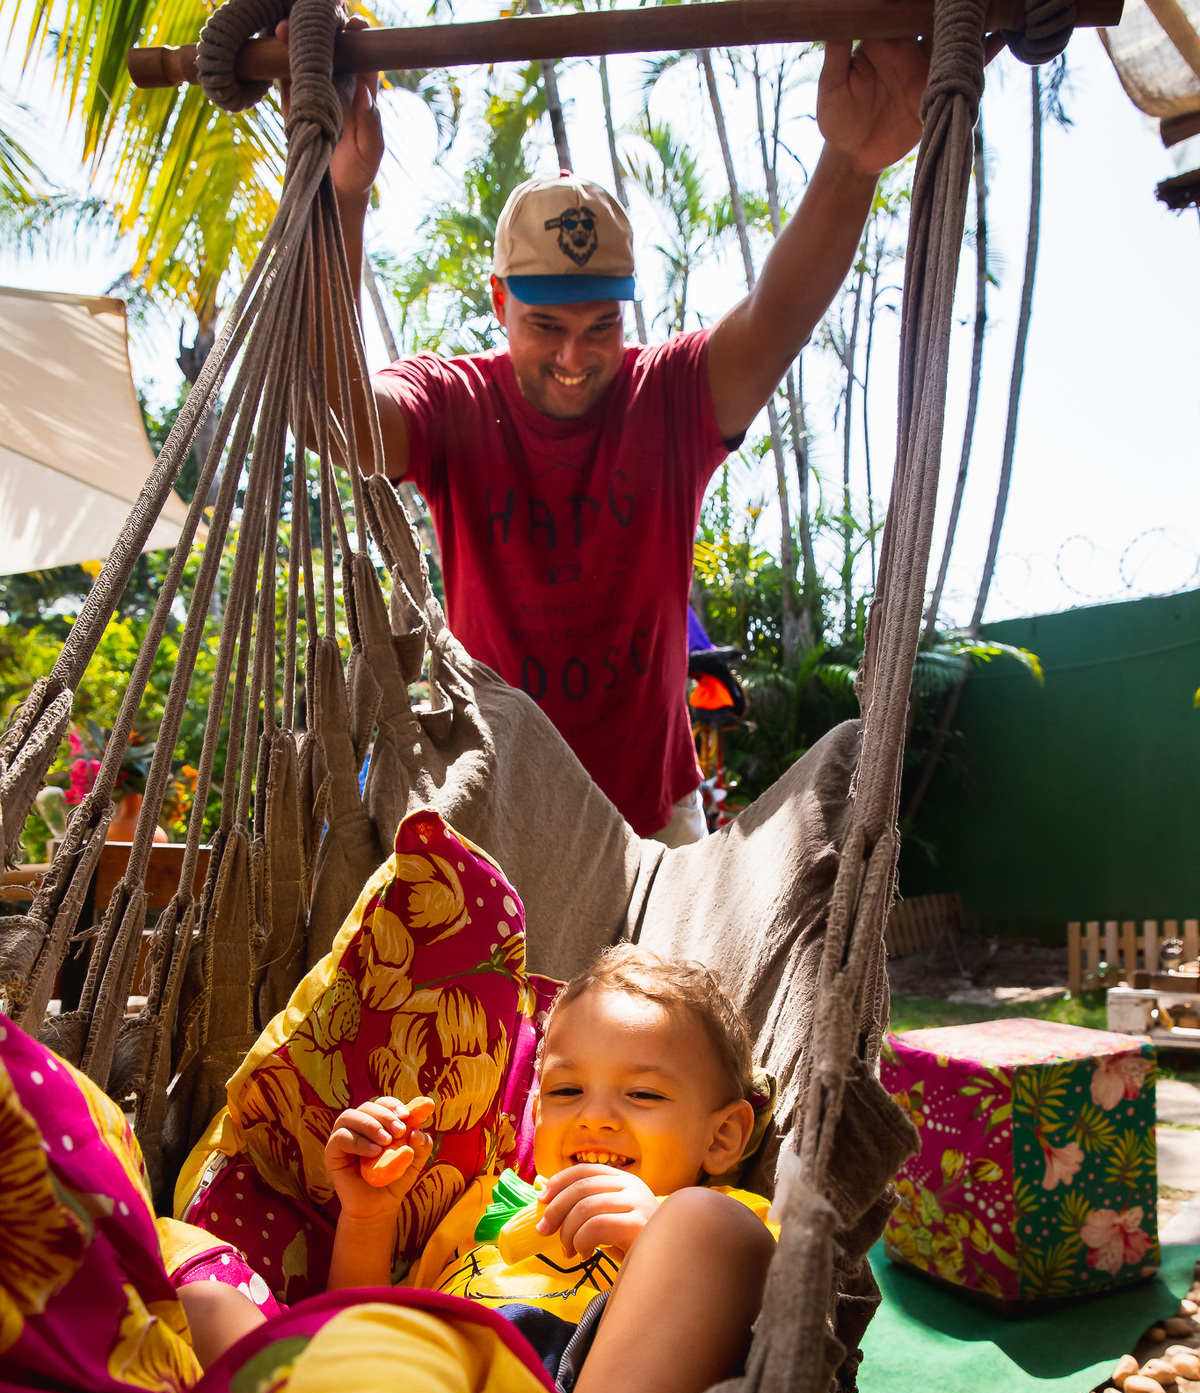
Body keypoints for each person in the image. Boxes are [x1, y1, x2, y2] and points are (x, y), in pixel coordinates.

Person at [289, 22, 930, 842]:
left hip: (654, 822)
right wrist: (344, 195)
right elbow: (335, 419)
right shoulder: (452, 402)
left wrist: (851, 163)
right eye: (545, 325)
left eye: (600, 326)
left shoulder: (668, 400)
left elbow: (778, 316)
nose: (572, 357)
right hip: (499, 814)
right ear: (498, 302)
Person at [184, 945, 777, 1393]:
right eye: (565, 1090)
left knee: (712, 1228)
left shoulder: (722, 1218)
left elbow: (769, 1319)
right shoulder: (486, 1203)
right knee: (199, 1294)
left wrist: (656, 1228)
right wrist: (368, 1217)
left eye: (642, 1094)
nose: (596, 1117)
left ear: (723, 1138)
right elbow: (365, 1322)